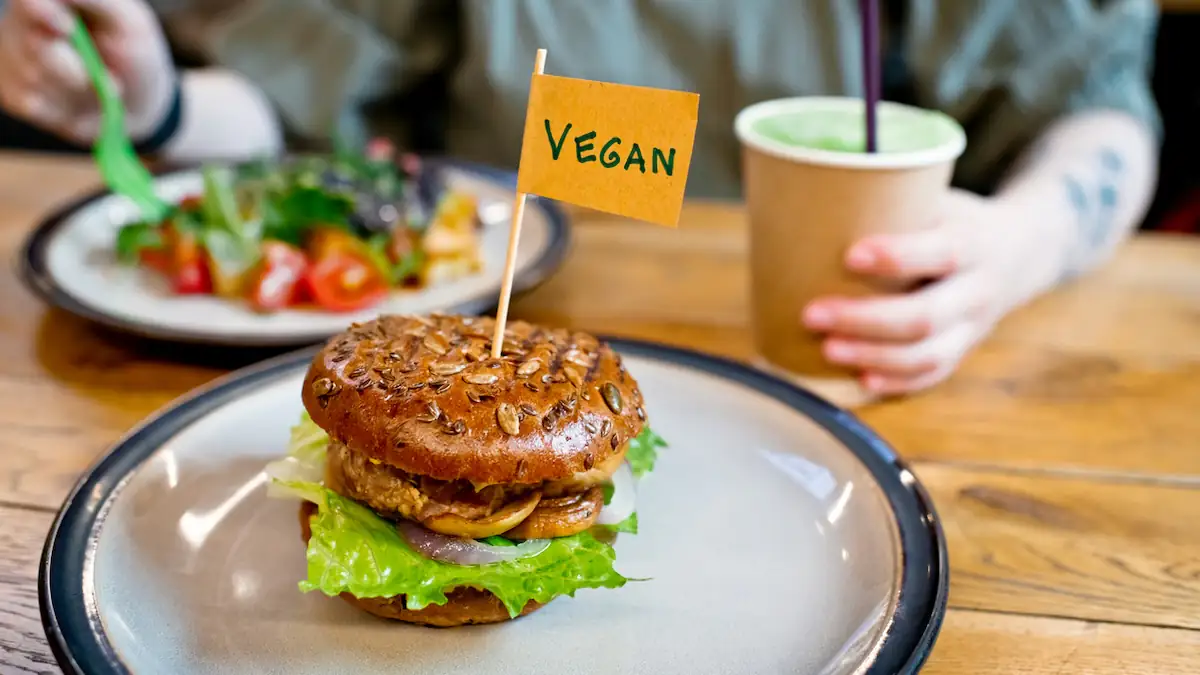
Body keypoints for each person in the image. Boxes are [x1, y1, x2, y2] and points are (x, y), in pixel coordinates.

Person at [0, 0, 1161, 395]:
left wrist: (1024, 239)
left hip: (835, 357)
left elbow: (1104, 114)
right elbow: (301, 114)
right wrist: (147, 107)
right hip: (496, 323)